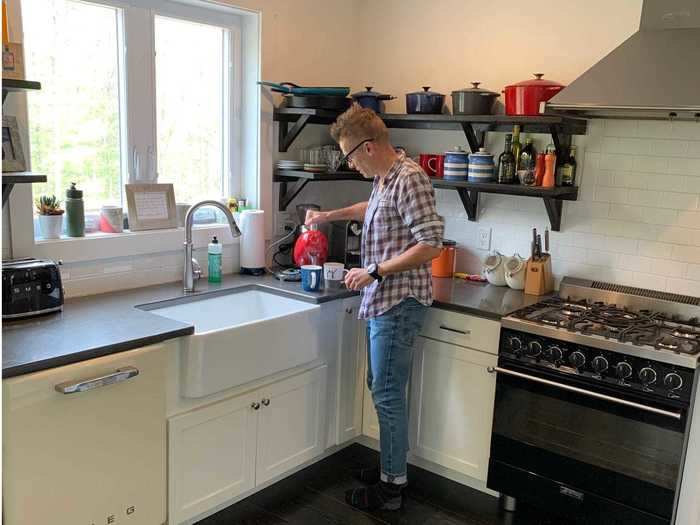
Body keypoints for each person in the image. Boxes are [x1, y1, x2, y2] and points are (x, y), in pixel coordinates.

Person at [305, 105, 444, 511]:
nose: (349, 163)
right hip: (384, 299)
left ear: (367, 147)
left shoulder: (411, 179)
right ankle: (391, 466)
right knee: (381, 389)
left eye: (348, 155)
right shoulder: (388, 177)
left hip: (398, 302)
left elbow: (431, 244)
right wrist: (328, 215)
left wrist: (375, 272)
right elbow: (372, 210)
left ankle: (390, 489)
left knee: (385, 393)